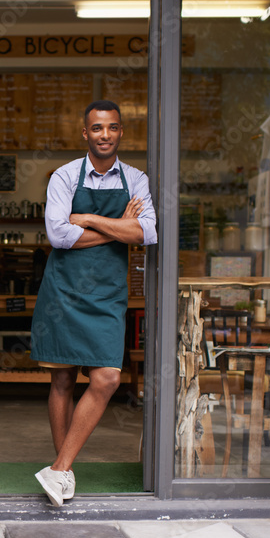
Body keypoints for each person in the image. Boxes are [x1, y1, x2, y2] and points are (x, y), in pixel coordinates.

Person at [30, 99, 158, 506]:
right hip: (64, 292)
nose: (106, 135)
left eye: (113, 128)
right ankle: (63, 470)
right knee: (63, 380)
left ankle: (60, 469)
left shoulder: (137, 179)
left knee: (106, 378)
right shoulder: (64, 177)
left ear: (121, 132)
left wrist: (86, 219)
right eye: (98, 128)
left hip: (106, 295)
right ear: (85, 133)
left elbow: (146, 233)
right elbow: (59, 236)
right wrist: (119, 224)